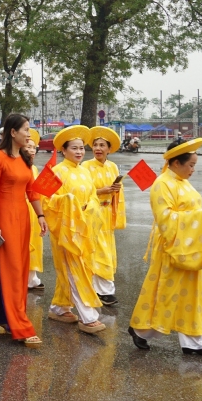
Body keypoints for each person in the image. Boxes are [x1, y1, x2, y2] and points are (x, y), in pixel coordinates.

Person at [128, 138, 202, 357]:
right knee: (167, 294)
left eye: (194, 165)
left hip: (190, 245)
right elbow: (165, 218)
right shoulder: (162, 184)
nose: (193, 170)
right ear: (176, 163)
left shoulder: (181, 181)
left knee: (190, 296)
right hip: (173, 247)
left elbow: (189, 212)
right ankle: (142, 330)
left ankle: (193, 342)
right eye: (191, 165)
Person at [0, 113, 45, 347]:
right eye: (26, 130)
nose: (29, 135)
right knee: (9, 270)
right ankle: (19, 324)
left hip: (23, 218)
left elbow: (32, 191)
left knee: (19, 270)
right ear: (13, 132)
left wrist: (40, 215)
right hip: (4, 219)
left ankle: (5, 317)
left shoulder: (25, 158)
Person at [44, 125, 109, 335]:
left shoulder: (85, 172)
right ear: (64, 151)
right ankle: (88, 316)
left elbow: (92, 197)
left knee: (76, 268)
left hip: (83, 227)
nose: (79, 152)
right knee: (75, 269)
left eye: (81, 148)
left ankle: (59, 307)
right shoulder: (55, 171)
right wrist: (69, 202)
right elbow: (45, 200)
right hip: (65, 229)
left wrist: (86, 209)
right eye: (74, 148)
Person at [83, 126, 125, 306]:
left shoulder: (113, 166)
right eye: (95, 145)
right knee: (99, 251)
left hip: (107, 213)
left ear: (109, 149)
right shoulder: (86, 167)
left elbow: (116, 192)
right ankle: (105, 290)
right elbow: (85, 191)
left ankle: (98, 288)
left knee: (105, 249)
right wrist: (102, 191)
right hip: (93, 213)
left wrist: (115, 190)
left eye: (102, 145)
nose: (98, 148)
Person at [25, 130, 46, 292]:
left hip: (34, 210)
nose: (32, 150)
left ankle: (32, 277)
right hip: (21, 209)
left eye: (34, 147)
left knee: (35, 243)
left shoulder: (34, 169)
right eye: (28, 146)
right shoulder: (17, 165)